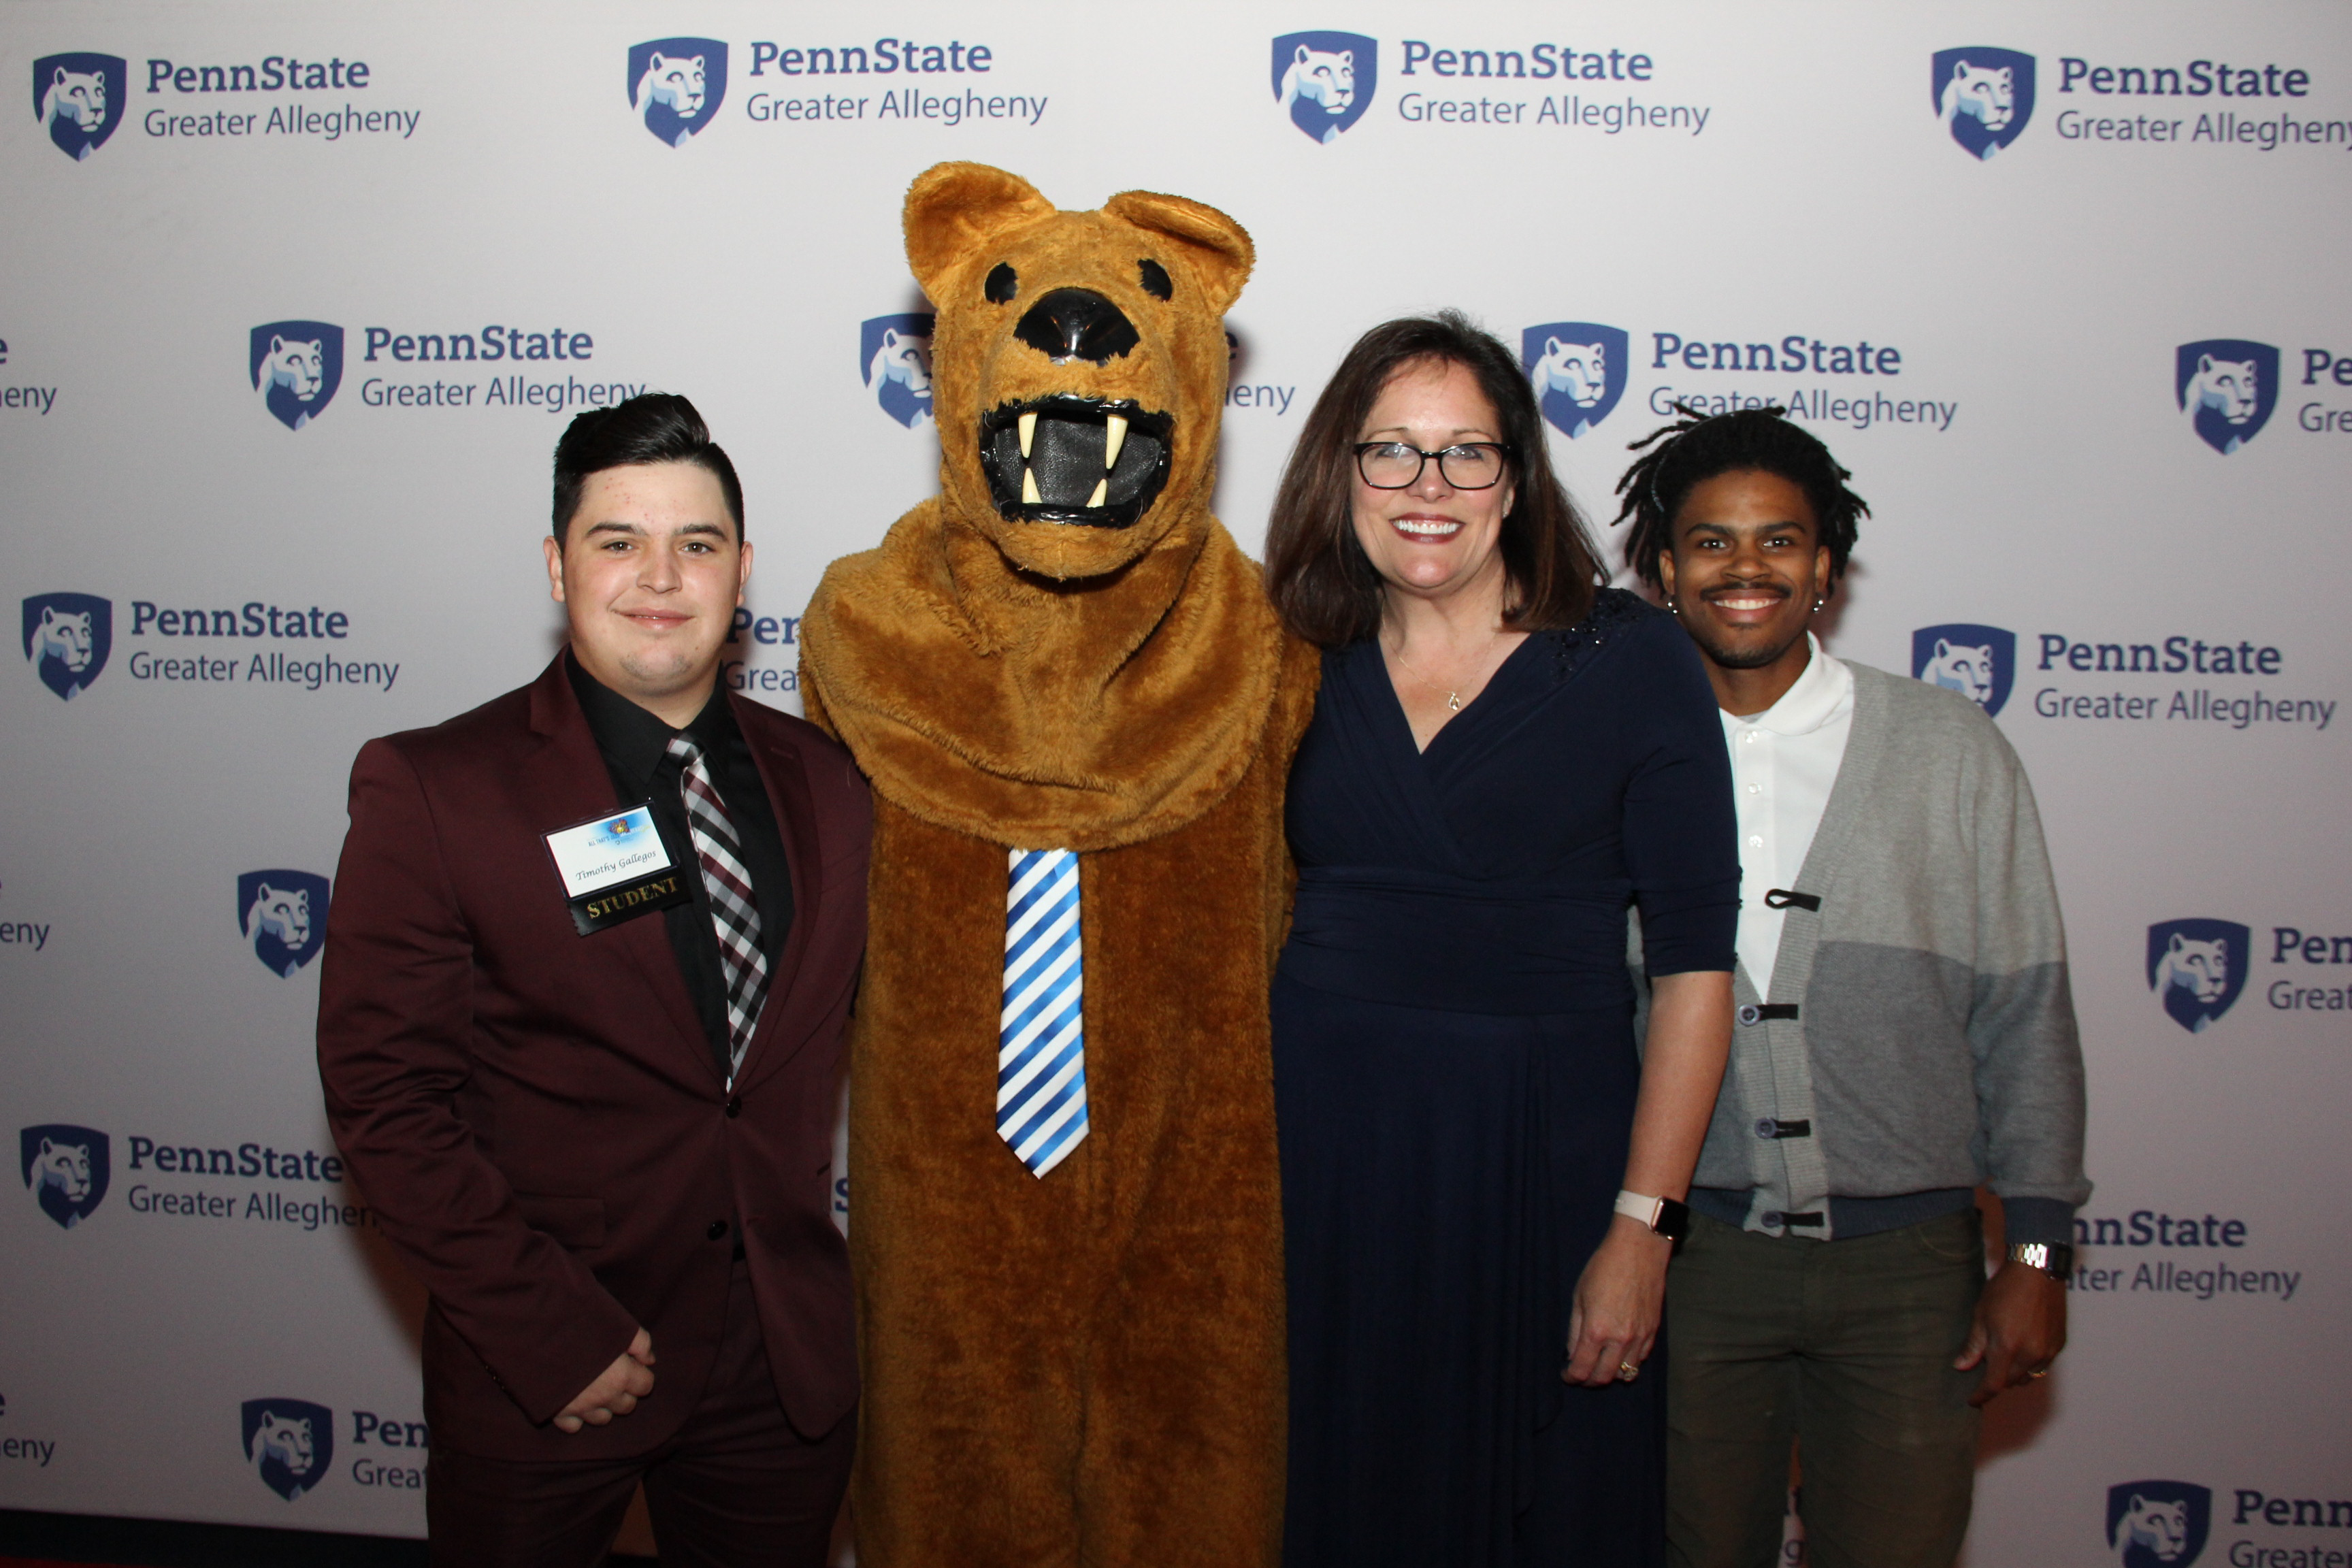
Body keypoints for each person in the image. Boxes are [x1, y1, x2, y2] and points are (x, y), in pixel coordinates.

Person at [316, 394, 870, 1567]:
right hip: (555, 1365)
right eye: (618, 541)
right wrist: (546, 1331)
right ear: (559, 568)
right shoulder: (434, 788)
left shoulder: (833, 784)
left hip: (782, 1376)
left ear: (744, 571)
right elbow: (385, 1100)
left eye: (698, 544)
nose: (660, 576)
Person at [1262, 314, 1738, 1567]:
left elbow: (1696, 971)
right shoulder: (1287, 657)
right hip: (1314, 1172)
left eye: (1466, 454)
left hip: (1549, 1169)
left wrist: (1645, 1231)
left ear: (1517, 477)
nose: (1429, 489)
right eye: (1393, 453)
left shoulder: (1630, 660)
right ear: (1338, 470)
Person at [1613, 406, 2089, 1568]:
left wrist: (2034, 1255)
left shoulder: (1949, 746)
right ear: (1665, 570)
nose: (1746, 568)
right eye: (1711, 542)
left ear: (1826, 566)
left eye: (1780, 541)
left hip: (1908, 1278)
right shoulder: (1609, 752)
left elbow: (2025, 1009)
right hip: (1690, 1264)